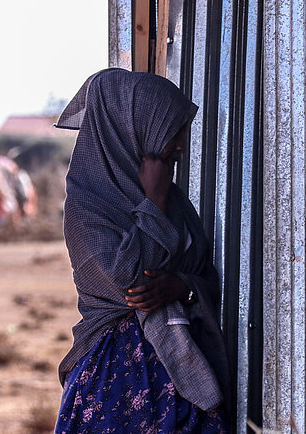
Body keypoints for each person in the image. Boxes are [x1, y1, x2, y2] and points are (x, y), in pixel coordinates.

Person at [54, 69, 231, 433]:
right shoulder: (87, 206)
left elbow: (205, 273)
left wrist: (182, 286)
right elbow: (131, 280)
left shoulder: (175, 200)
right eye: (170, 131)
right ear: (131, 127)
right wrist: (153, 201)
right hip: (115, 383)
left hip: (186, 375)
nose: (180, 145)